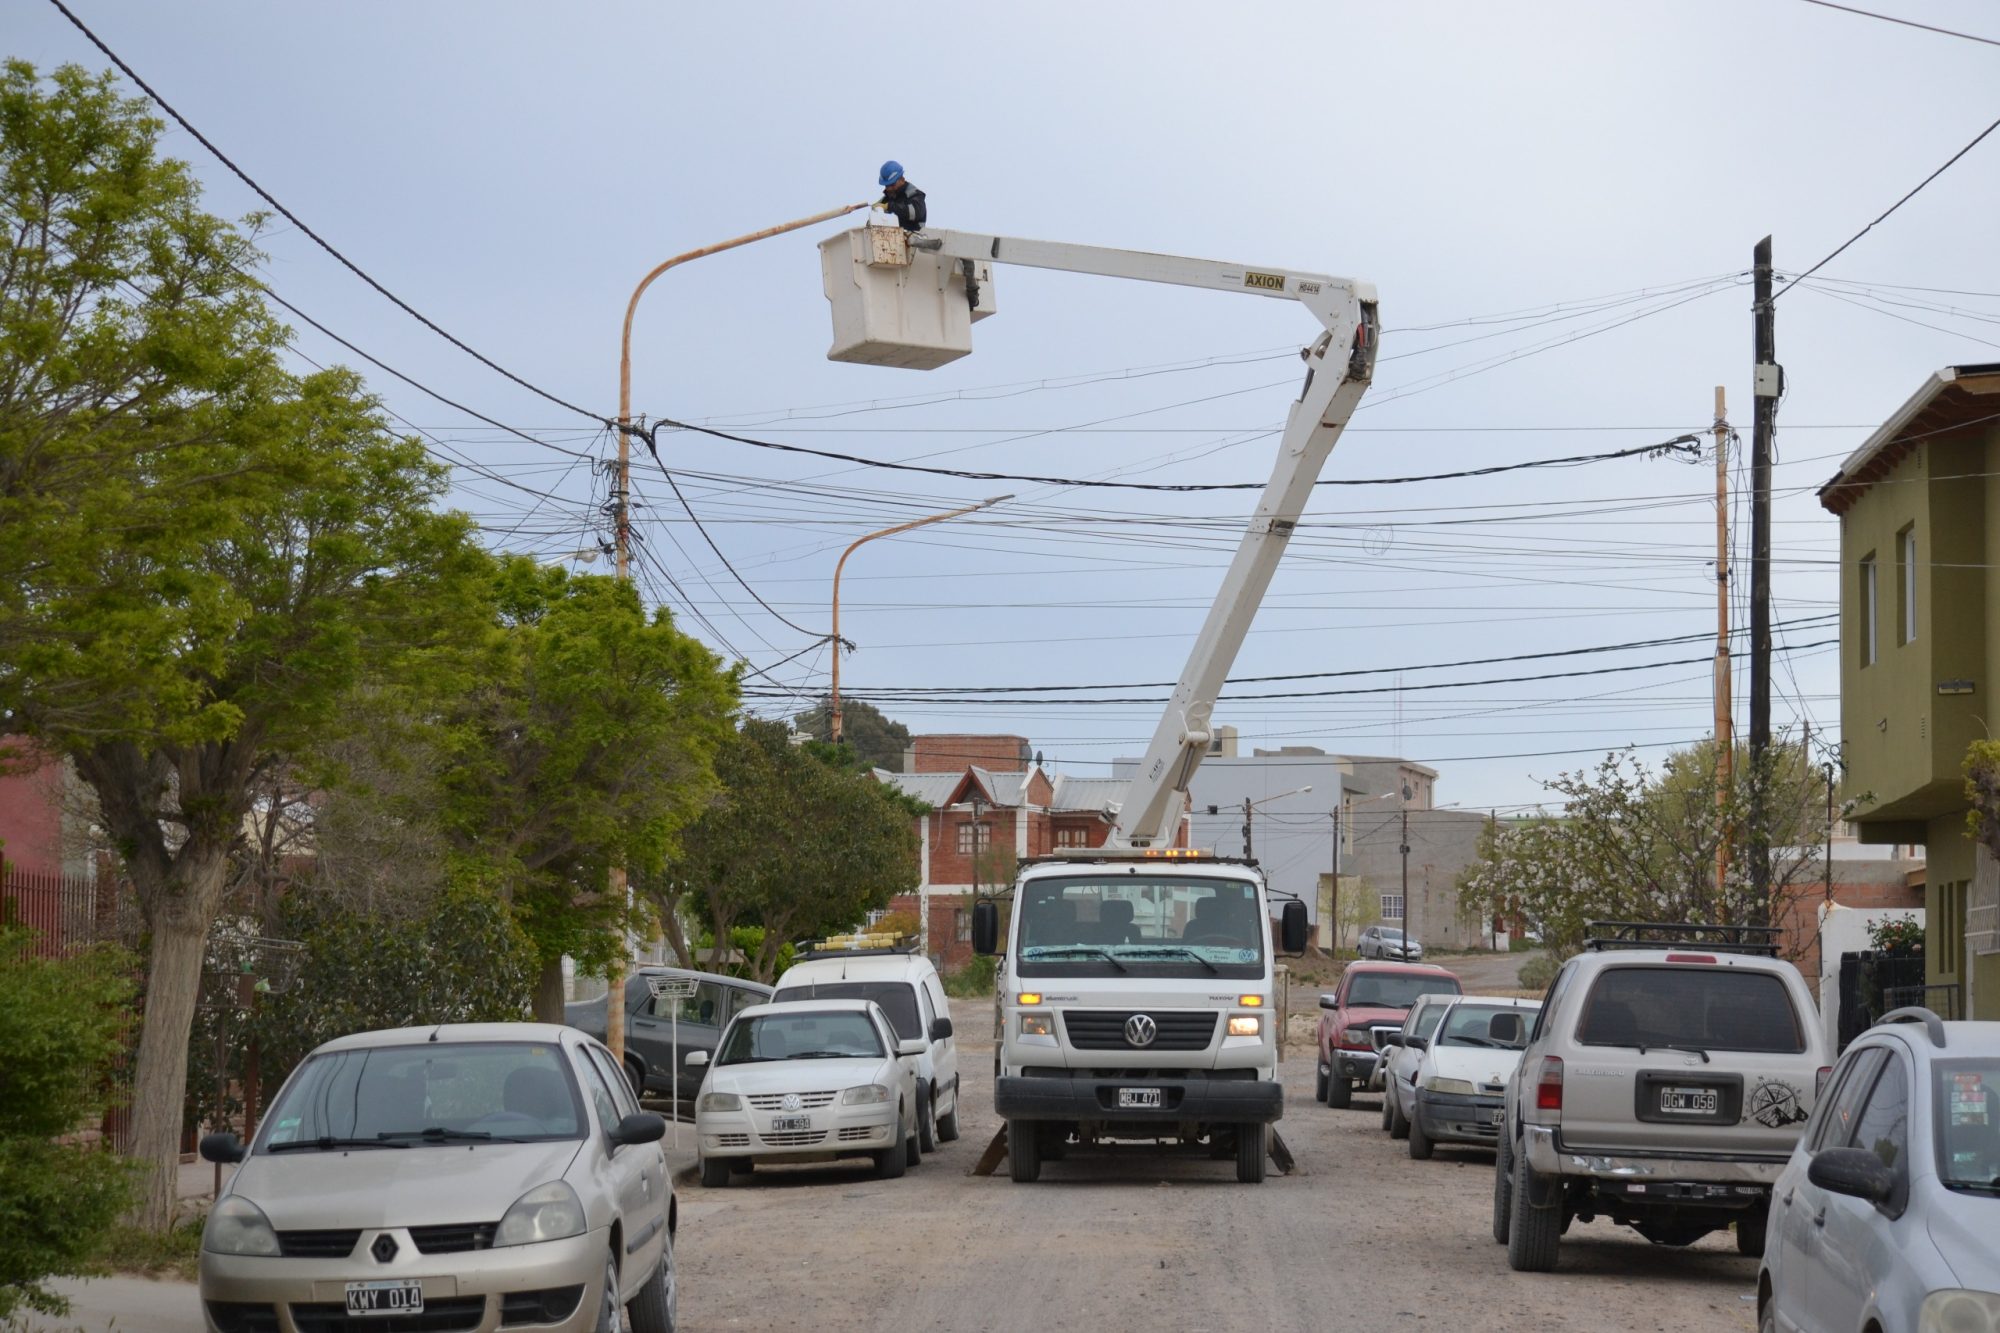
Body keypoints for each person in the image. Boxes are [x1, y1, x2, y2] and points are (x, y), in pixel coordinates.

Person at [878, 160, 926, 232]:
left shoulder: (915, 195)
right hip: (889, 239)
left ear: (902, 180)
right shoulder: (886, 200)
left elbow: (916, 213)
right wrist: (875, 214)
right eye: (887, 185)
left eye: (892, 185)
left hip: (913, 239)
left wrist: (889, 206)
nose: (889, 188)